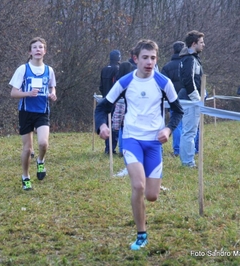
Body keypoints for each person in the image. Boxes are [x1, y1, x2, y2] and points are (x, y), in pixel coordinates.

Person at [95, 39, 183, 250]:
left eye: (153, 58)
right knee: (138, 186)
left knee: (151, 195)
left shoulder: (163, 83)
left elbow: (178, 110)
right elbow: (102, 108)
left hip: (154, 143)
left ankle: (144, 206)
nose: (149, 62)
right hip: (132, 139)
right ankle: (141, 234)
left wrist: (168, 129)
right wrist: (101, 127)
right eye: (145, 57)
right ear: (135, 59)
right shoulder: (125, 82)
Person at [9, 37, 57, 190]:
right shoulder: (23, 69)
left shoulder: (49, 70)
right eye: (34, 47)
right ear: (29, 52)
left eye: (41, 47)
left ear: (45, 51)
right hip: (26, 112)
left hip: (42, 111)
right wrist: (28, 93)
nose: (38, 50)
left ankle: (40, 161)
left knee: (43, 143)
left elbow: (52, 88)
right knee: (28, 149)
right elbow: (13, 93)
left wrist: (52, 94)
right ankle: (25, 177)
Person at [177, 30, 205, 168]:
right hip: (189, 100)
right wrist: (197, 99)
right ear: (194, 44)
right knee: (189, 132)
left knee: (189, 131)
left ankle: (188, 160)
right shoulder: (189, 59)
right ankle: (188, 162)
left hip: (189, 99)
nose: (203, 45)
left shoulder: (191, 58)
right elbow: (188, 81)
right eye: (201, 42)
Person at [99, 50, 121, 154]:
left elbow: (101, 86)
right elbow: (116, 86)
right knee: (114, 126)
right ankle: (110, 149)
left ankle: (107, 148)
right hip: (114, 101)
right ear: (118, 58)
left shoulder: (104, 69)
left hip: (105, 100)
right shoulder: (117, 69)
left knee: (107, 124)